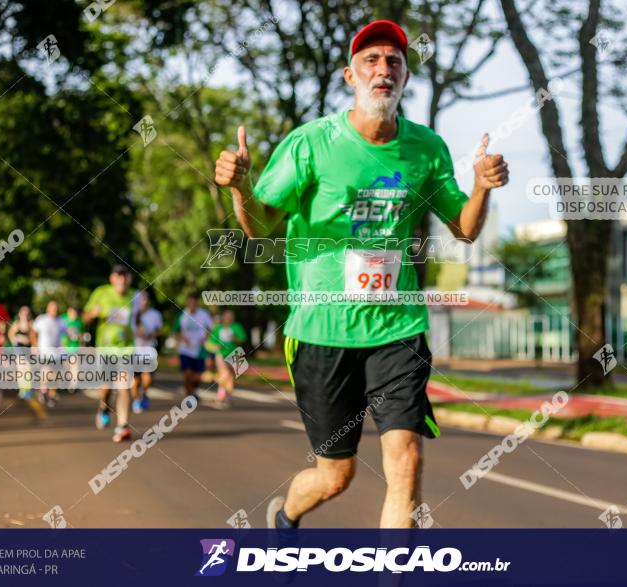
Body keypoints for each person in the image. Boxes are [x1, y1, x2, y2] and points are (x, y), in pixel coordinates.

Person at [214, 20, 509, 528]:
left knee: (407, 464)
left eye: (393, 61)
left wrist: (482, 187)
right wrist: (241, 188)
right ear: (349, 76)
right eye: (370, 60)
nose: (383, 69)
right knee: (336, 475)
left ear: (404, 79)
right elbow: (263, 226)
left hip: (397, 328)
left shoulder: (425, 148)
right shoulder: (312, 144)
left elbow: (462, 230)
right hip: (321, 331)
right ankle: (284, 519)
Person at [83, 264, 137, 442]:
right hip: (105, 348)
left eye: (125, 276)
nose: (122, 279)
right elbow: (85, 317)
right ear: (112, 278)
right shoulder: (102, 293)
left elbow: (137, 319)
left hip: (126, 349)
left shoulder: (134, 296)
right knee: (106, 387)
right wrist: (93, 313)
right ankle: (104, 407)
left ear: (128, 279)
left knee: (124, 387)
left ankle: (122, 426)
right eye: (118, 276)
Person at [204, 309, 246, 408]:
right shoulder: (218, 328)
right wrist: (216, 347)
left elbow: (242, 339)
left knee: (233, 376)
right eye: (227, 316)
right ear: (223, 317)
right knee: (226, 374)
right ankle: (225, 395)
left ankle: (224, 391)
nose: (229, 318)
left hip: (235, 354)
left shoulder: (236, 327)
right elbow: (211, 342)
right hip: (221, 354)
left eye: (231, 316)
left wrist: (234, 338)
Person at [175, 294, 214, 400]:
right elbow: (176, 331)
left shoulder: (204, 314)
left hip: (199, 349)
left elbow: (210, 328)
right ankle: (189, 394)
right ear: (187, 303)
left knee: (197, 375)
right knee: (187, 373)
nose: (192, 305)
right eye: (190, 303)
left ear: (197, 304)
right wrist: (182, 338)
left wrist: (205, 337)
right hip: (185, 349)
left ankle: (194, 390)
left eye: (194, 303)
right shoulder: (182, 315)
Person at [131, 290, 163, 413]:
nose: (143, 302)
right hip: (133, 351)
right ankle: (136, 399)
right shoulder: (132, 314)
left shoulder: (155, 314)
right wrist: (135, 333)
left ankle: (144, 393)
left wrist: (151, 335)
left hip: (149, 350)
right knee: (135, 379)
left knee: (148, 377)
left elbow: (159, 330)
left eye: (145, 299)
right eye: (140, 300)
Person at [32, 300, 63, 408]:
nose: (54, 310)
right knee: (47, 370)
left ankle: (51, 395)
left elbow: (67, 333)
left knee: (55, 375)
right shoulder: (42, 319)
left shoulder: (61, 321)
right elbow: (33, 332)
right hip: (44, 351)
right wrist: (34, 345)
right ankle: (43, 390)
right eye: (52, 308)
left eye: (56, 308)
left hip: (57, 353)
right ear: (48, 309)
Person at [8, 306, 35, 399]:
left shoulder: (31, 324)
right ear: (20, 314)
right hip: (19, 348)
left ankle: (28, 389)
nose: (25, 315)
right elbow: (11, 334)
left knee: (28, 368)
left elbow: (33, 337)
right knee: (21, 368)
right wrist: (16, 340)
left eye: (27, 313)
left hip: (28, 348)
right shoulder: (17, 324)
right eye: (23, 313)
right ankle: (22, 389)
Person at [60, 306, 84, 393]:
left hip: (74, 347)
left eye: (75, 313)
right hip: (64, 347)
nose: (73, 315)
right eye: (71, 312)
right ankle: (65, 382)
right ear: (68, 312)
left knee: (74, 366)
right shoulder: (62, 319)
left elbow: (81, 335)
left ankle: (73, 385)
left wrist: (78, 338)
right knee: (65, 366)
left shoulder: (79, 322)